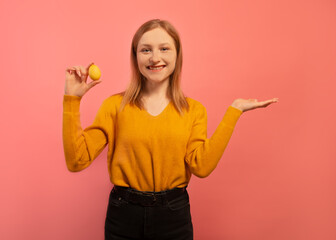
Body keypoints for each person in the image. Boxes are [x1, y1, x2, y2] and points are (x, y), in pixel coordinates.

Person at [63, 19, 278, 240]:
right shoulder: (114, 106)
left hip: (173, 215)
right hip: (123, 214)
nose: (155, 58)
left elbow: (202, 167)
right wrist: (72, 99)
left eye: (164, 48)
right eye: (145, 50)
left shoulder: (194, 110)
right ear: (135, 56)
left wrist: (234, 111)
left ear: (177, 54)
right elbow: (77, 160)